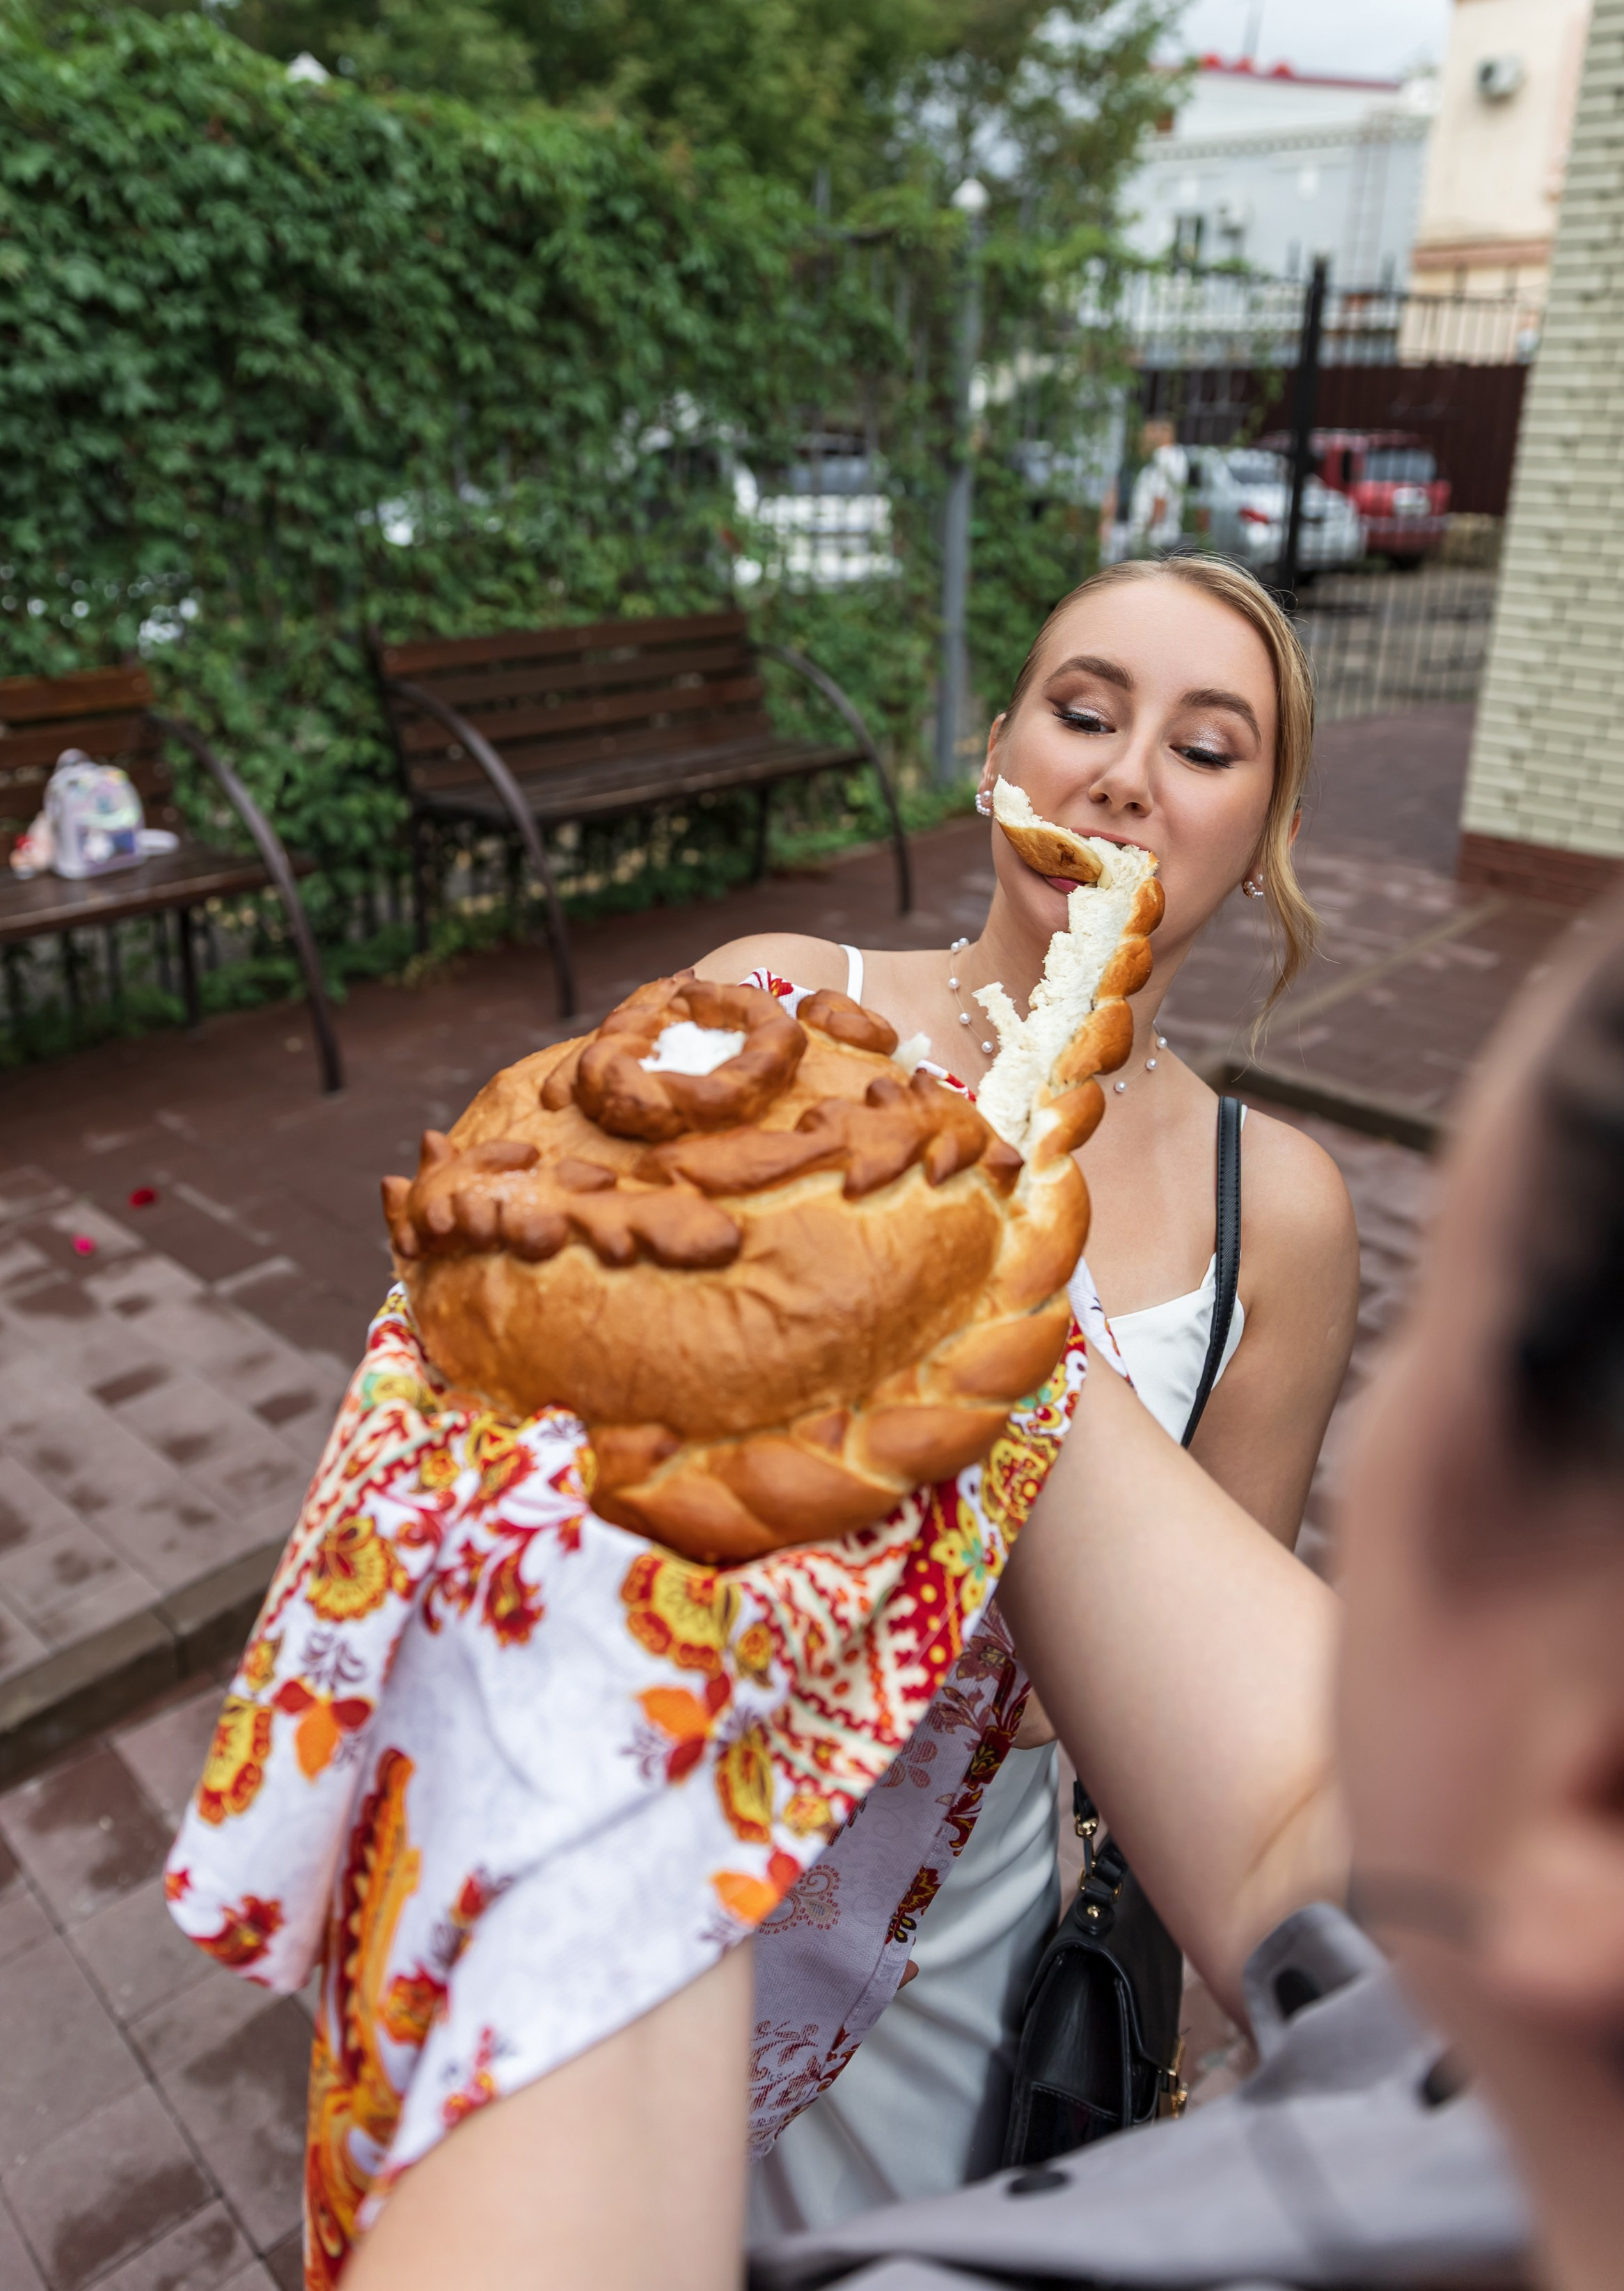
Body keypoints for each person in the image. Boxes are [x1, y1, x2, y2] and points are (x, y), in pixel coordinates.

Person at [347, 902, 1624, 2291]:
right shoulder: (1488, 2024)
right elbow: (1297, 1817)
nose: (1372, 1453)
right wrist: (875, 1259)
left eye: (1476, 1361)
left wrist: (577, 1739)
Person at [695, 553, 1359, 2223]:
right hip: (667, 1835)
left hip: (950, 1934)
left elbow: (1182, 1706)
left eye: (1208, 749)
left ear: (1260, 834)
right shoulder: (784, 1003)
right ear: (999, 751)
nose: (1128, 773)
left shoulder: (1270, 1201)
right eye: (1086, 712)